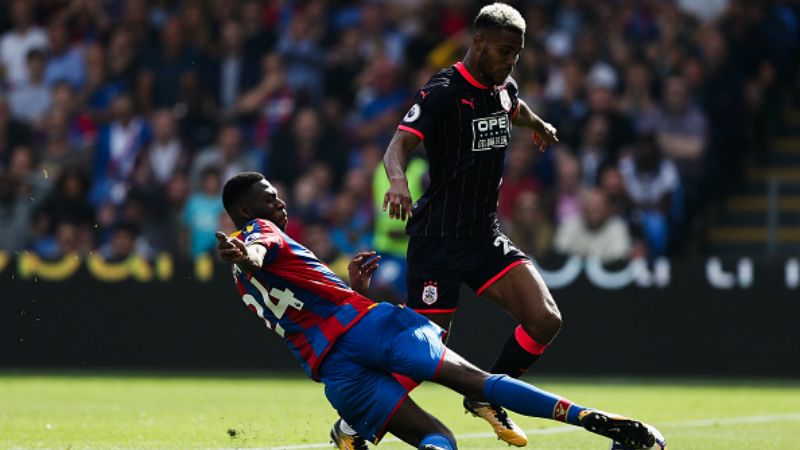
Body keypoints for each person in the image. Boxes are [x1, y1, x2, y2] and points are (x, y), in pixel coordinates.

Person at [215, 172, 663, 450]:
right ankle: (592, 420)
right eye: (270, 198)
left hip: (337, 373)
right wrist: (248, 251)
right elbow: (259, 246)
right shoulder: (260, 232)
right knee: (478, 383)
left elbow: (298, 307)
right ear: (244, 211)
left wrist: (351, 290)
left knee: (440, 440)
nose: (280, 204)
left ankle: (353, 430)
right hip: (374, 332)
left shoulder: (241, 285)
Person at [379, 4, 560, 446]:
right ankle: (357, 421)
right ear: (478, 42)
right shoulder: (443, 91)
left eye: (515, 54)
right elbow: (397, 145)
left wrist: (538, 125)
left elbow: (513, 106)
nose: (509, 61)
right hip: (438, 241)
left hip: (483, 237)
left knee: (544, 319)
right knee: (421, 359)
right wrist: (399, 183)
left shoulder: (504, 86)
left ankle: (485, 395)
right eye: (503, 51)